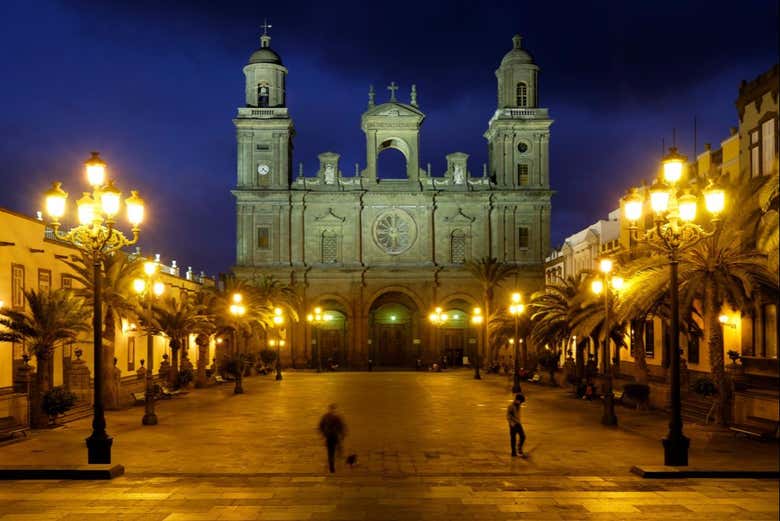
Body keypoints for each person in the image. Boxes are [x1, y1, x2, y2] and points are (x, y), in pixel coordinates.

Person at [318, 404, 347, 473]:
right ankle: (337, 460)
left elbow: (320, 426)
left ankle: (331, 466)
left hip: (328, 436)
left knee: (330, 451)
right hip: (334, 436)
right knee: (336, 448)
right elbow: (341, 426)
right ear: (334, 409)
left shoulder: (325, 417)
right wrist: (342, 434)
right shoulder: (337, 417)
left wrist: (323, 434)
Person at [506, 392, 526, 457]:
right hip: (513, 425)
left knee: (523, 436)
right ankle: (513, 452)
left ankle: (519, 448)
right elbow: (508, 416)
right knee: (513, 439)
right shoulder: (511, 406)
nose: (521, 403)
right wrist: (511, 423)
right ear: (517, 400)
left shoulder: (518, 405)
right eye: (520, 402)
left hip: (518, 423)